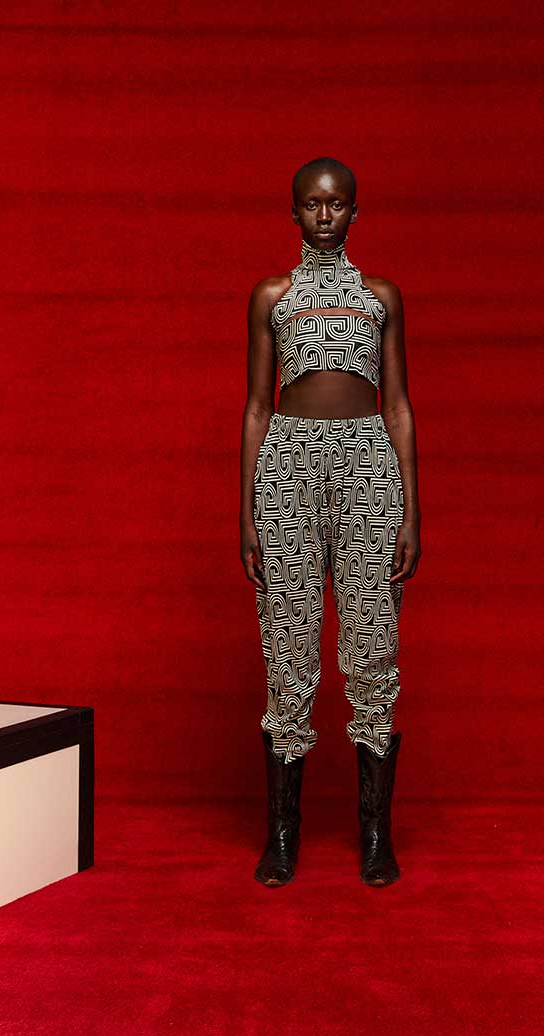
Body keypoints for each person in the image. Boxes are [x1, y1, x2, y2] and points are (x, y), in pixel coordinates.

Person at [240, 156, 422, 887]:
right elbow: (257, 405)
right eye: (312, 204)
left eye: (337, 204)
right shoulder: (272, 296)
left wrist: (412, 510)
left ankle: (375, 832)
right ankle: (283, 832)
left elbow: (399, 405)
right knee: (288, 644)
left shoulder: (381, 296)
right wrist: (246, 513)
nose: (324, 216)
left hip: (369, 466)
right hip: (287, 462)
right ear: (293, 212)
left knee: (373, 644)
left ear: (354, 212)